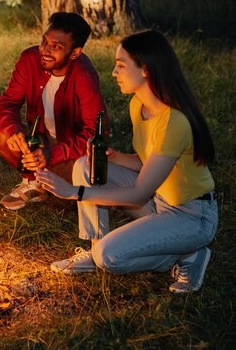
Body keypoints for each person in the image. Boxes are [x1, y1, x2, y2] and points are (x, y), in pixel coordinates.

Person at [36, 30, 217, 293]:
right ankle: (94, 247)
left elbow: (138, 194)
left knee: (110, 257)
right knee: (85, 166)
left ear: (145, 70)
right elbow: (148, 161)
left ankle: (188, 253)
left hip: (191, 215)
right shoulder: (138, 106)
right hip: (158, 201)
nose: (114, 72)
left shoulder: (174, 121)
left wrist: (73, 192)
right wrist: (115, 158)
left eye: (121, 65)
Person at [0, 12, 108, 210]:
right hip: (40, 139)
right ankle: (33, 183)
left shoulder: (83, 75)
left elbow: (97, 133)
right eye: (44, 42)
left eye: (56, 47)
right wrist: (13, 130)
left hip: (71, 151)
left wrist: (52, 153)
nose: (45, 51)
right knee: (3, 136)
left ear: (74, 53)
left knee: (74, 191)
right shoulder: (29, 60)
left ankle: (56, 182)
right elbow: (8, 103)